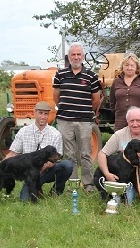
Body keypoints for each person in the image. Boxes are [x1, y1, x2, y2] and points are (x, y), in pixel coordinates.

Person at [53, 42, 101, 192]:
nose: (76, 57)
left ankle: (88, 184)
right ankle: (72, 183)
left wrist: (84, 111)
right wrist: (66, 108)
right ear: (69, 57)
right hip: (65, 120)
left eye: (78, 54)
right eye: (73, 54)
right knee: (69, 153)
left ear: (83, 56)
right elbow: (56, 97)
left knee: (86, 153)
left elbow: (96, 100)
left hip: (84, 121)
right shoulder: (60, 75)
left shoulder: (91, 76)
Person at [5, 101, 73, 201]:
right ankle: (36, 189)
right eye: (40, 113)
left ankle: (55, 192)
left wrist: (43, 167)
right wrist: (0, 168)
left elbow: (56, 159)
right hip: (30, 174)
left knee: (67, 165)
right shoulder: (23, 132)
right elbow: (13, 153)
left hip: (47, 171)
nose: (43, 117)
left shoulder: (55, 134)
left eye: (46, 114)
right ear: (35, 113)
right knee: (24, 201)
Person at [97, 106, 140, 204]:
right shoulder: (119, 135)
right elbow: (102, 154)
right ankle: (127, 193)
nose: (135, 124)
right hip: (125, 178)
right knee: (124, 202)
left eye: (138, 120)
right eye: (132, 121)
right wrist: (107, 174)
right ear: (127, 122)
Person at [110, 53, 140, 131]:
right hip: (121, 123)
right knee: (122, 143)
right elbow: (112, 103)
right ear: (122, 66)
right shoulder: (116, 82)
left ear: (136, 67)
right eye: (126, 65)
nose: (129, 68)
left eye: (132, 65)